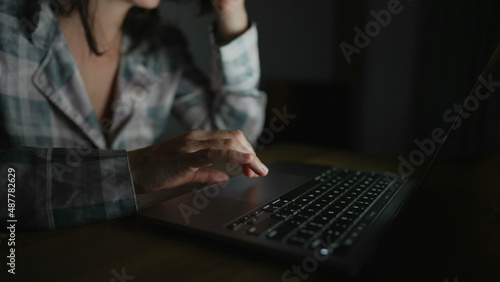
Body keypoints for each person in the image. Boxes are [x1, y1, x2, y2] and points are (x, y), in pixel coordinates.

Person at [0, 0, 268, 229]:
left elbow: (234, 138)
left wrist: (231, 10)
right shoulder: (7, 30)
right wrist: (133, 169)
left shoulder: (161, 48)